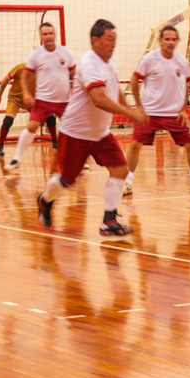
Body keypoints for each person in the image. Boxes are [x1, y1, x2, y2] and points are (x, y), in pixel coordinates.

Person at [36, 19, 147, 235]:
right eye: (109, 39)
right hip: (76, 133)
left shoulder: (111, 62)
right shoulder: (89, 63)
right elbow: (99, 99)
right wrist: (130, 114)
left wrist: (130, 108)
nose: (113, 44)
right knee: (66, 180)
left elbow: (115, 90)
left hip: (100, 132)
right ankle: (45, 200)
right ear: (95, 40)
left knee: (120, 169)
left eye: (115, 39)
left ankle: (109, 220)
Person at [123, 25, 190, 196]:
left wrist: (184, 109)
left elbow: (186, 85)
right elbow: (134, 80)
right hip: (150, 113)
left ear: (177, 42)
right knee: (135, 144)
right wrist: (139, 106)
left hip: (174, 114)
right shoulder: (149, 59)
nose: (170, 42)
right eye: (167, 39)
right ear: (160, 41)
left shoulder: (182, 61)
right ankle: (127, 182)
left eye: (174, 40)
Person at [5, 23, 75, 170]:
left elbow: (75, 74)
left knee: (72, 129)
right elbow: (25, 75)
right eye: (45, 34)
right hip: (43, 101)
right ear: (41, 37)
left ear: (55, 35)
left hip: (63, 100)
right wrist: (26, 93)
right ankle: (17, 158)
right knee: (32, 126)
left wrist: (78, 92)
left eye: (50, 33)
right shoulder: (36, 55)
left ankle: (77, 159)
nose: (48, 37)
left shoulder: (65, 53)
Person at [0, 62, 55, 158]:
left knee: (50, 117)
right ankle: (0, 146)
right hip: (15, 99)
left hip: (30, 99)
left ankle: (55, 142)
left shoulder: (44, 73)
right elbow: (5, 79)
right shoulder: (21, 67)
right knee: (8, 121)